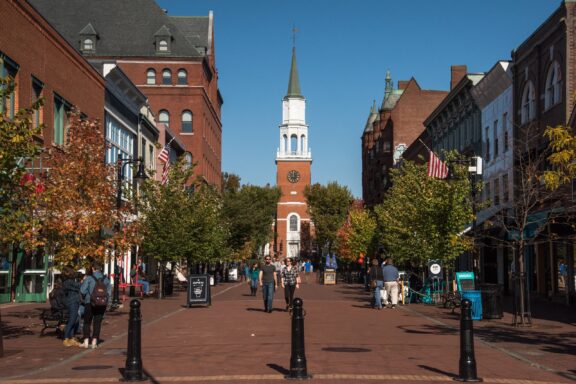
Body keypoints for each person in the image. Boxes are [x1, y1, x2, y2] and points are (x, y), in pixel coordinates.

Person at [79, 262, 110, 348]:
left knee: (87, 322)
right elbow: (108, 293)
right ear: (100, 269)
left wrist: (83, 282)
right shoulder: (106, 279)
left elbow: (82, 291)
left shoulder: (89, 278)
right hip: (101, 303)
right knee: (97, 322)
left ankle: (86, 341)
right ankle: (94, 341)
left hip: (89, 302)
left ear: (93, 268)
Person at [62, 266, 81, 347]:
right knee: (72, 319)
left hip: (74, 301)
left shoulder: (69, 281)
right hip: (72, 302)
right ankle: (66, 338)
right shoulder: (67, 282)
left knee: (75, 319)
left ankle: (71, 337)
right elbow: (78, 286)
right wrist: (83, 281)